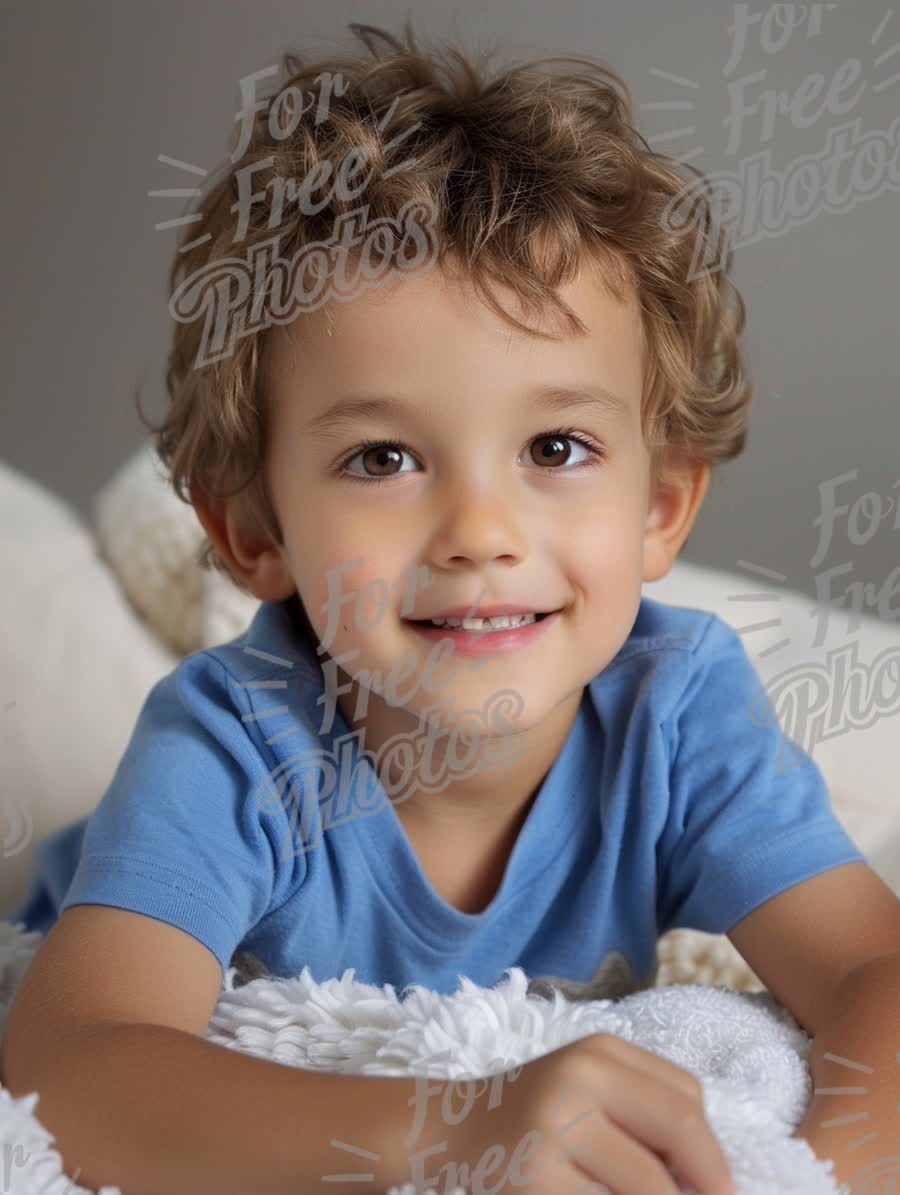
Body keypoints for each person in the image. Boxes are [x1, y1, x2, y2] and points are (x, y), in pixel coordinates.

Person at [0, 20, 867, 1195]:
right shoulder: (237, 741)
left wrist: (813, 1176)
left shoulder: (677, 706)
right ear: (252, 530)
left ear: (659, 507)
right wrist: (461, 1129)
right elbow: (66, 1070)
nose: (479, 532)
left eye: (556, 445)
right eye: (381, 458)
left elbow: (878, 973)